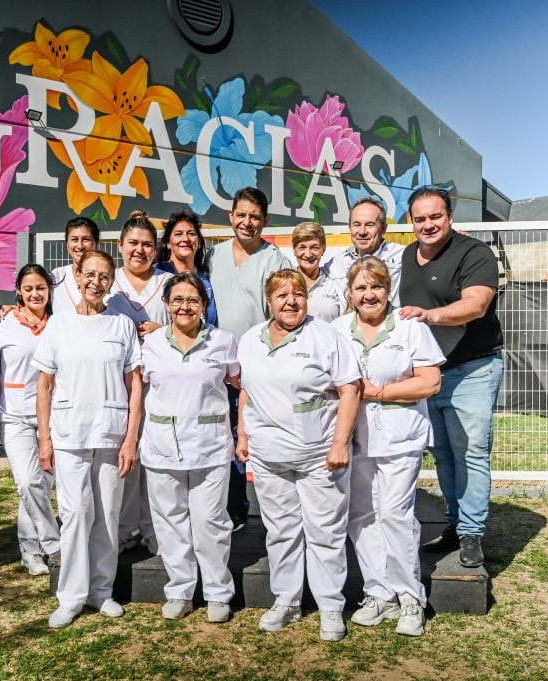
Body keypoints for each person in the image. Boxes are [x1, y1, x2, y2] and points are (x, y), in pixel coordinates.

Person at [235, 269, 361, 641]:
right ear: (269, 302)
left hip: (320, 455)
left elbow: (350, 389)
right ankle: (287, 600)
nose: (291, 301)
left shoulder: (325, 337)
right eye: (281, 295)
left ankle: (330, 606)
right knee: (280, 531)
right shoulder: (250, 340)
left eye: (298, 294)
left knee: (325, 532)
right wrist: (243, 434)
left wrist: (340, 444)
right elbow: (246, 390)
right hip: (269, 455)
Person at [333, 257, 444, 637]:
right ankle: (378, 592)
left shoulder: (410, 327)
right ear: (350, 293)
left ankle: (410, 595)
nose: (369, 294)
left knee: (395, 514)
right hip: (354, 435)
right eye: (361, 288)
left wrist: (379, 392)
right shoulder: (336, 330)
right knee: (361, 514)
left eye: (376, 286)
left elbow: (429, 382)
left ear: (388, 289)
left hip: (400, 436)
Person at [33, 250, 143, 629]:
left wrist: (131, 439)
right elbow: (44, 385)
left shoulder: (122, 326)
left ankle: (101, 591)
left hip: (111, 433)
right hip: (69, 434)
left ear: (112, 283)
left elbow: (135, 387)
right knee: (77, 514)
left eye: (105, 277)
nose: (96, 282)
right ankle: (72, 596)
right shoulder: (58, 325)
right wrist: (44, 438)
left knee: (108, 515)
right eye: (90, 274)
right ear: (77, 277)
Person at [398, 186, 503, 568]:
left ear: (450, 217)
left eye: (435, 216)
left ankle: (472, 533)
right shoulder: (408, 256)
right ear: (411, 221)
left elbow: (476, 305)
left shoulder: (474, 253)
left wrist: (430, 315)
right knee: (441, 452)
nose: (428, 224)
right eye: (420, 218)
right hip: (430, 373)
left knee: (470, 451)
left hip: (472, 368)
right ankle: (456, 524)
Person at [140, 273, 239, 623]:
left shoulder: (222, 342)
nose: (185, 306)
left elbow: (241, 383)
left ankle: (216, 592)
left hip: (209, 447)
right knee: (170, 522)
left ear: (204, 306)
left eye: (192, 300)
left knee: (211, 522)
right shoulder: (150, 345)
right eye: (177, 300)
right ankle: (180, 590)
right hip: (162, 445)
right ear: (166, 305)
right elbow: (139, 393)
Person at [207, 187, 290, 531]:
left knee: (260, 436)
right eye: (241, 214)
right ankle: (232, 509)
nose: (247, 222)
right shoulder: (213, 255)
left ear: (265, 220)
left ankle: (276, 515)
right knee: (223, 438)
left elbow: (281, 313)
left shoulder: (276, 261)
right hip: (216, 363)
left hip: (256, 366)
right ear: (231, 217)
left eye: (254, 216)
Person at [106, 209, 170, 554]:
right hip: (118, 384)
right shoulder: (108, 283)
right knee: (125, 456)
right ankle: (125, 527)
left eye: (147, 244)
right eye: (133, 243)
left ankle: (153, 527)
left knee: (155, 458)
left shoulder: (167, 283)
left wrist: (163, 331)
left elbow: (187, 325)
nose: (140, 250)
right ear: (120, 245)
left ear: (156, 249)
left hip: (159, 385)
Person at [0, 264, 61, 577]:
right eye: (29, 289)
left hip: (53, 417)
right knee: (28, 482)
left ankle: (30, 551)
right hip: (17, 416)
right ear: (19, 292)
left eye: (41, 288)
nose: (35, 294)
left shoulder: (60, 323)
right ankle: (53, 543)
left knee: (39, 487)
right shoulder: (4, 324)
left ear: (49, 291)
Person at [325, 197, 405, 304]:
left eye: (369, 225)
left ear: (383, 229)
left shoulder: (403, 255)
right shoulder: (335, 264)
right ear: (349, 228)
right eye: (357, 225)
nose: (362, 231)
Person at [154, 208, 217, 326]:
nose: (185, 239)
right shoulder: (156, 273)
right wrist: (161, 330)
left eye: (191, 234)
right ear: (168, 243)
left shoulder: (207, 279)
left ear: (198, 242)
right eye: (178, 234)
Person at [291, 221, 344, 322]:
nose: (308, 254)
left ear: (323, 249)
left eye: (314, 247)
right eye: (302, 247)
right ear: (294, 250)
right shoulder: (285, 283)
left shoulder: (334, 283)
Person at [50, 216, 100, 314]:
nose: (80, 246)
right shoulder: (56, 276)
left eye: (86, 239)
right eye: (74, 240)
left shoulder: (108, 277)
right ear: (67, 243)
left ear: (96, 242)